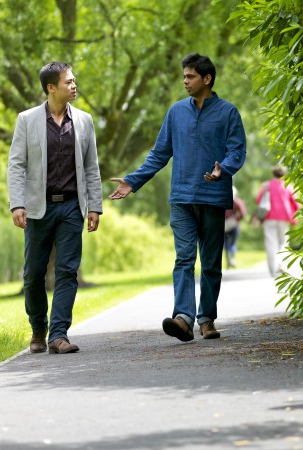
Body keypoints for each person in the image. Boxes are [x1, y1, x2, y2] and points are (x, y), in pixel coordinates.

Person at [109, 52, 246, 341]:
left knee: (210, 262)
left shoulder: (228, 113)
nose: (185, 81)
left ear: (206, 79)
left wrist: (225, 168)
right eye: (184, 76)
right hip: (182, 198)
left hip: (212, 197)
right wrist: (133, 181)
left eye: (190, 76)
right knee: (184, 258)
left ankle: (206, 319)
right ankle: (183, 318)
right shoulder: (176, 112)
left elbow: (237, 150)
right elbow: (160, 153)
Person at [7, 61, 103, 354]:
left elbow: (91, 167)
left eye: (74, 81)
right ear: (51, 88)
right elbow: (16, 165)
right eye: (68, 82)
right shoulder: (27, 120)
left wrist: (95, 206)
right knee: (33, 274)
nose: (74, 86)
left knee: (67, 271)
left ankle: (58, 334)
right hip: (38, 208)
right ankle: (38, 328)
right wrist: (17, 204)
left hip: (72, 208)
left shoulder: (84, 121)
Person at [255, 166, 300, 277]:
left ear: (273, 174)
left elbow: (259, 200)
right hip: (284, 217)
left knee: (271, 243)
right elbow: (296, 203)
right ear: (284, 174)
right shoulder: (288, 186)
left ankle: (272, 270)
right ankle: (282, 264)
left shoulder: (266, 185)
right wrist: (295, 218)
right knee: (283, 242)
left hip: (269, 216)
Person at [224, 186, 247, 268]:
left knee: (226, 244)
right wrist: (237, 220)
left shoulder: (223, 201)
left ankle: (229, 261)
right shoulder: (237, 202)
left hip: (225, 226)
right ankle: (231, 259)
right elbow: (243, 213)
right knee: (232, 243)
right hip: (234, 225)